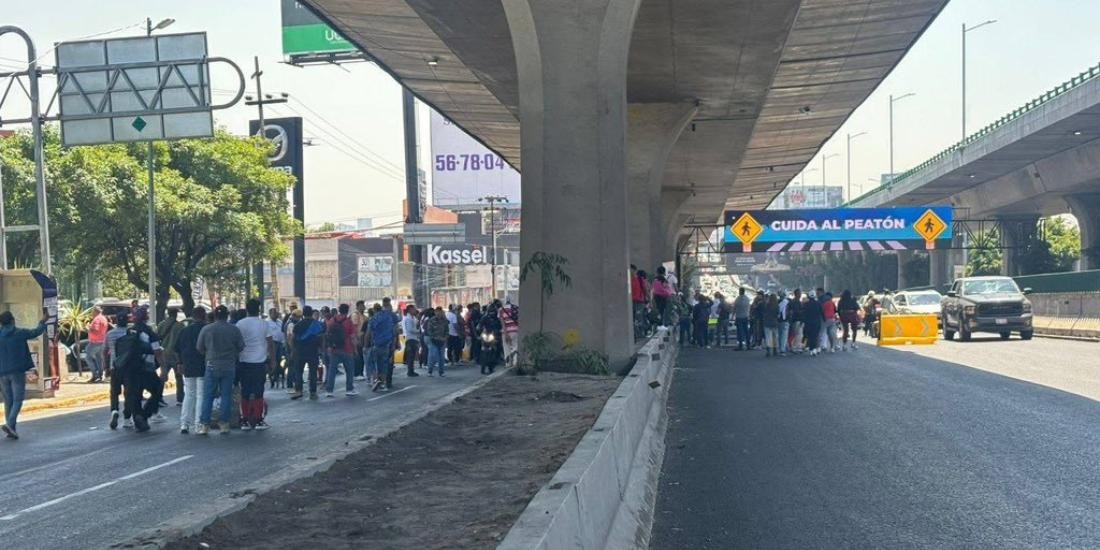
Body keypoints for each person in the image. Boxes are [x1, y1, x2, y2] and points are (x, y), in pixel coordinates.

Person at [0, 308, 49, 439]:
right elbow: (36, 332)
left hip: (2, 372)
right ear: (12, 321)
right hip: (17, 371)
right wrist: (43, 322)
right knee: (18, 400)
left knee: (8, 400)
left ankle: (12, 428)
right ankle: (10, 424)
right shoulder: (18, 332)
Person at [197, 305, 244, 435]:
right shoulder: (234, 329)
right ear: (227, 315)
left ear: (215, 315)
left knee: (208, 396)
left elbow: (199, 347)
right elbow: (241, 346)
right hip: (228, 365)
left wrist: (208, 354)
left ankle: (205, 424)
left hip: (211, 364)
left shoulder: (206, 329)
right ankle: (224, 423)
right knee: (226, 395)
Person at [118, 307, 166, 432]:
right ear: (146, 317)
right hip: (146, 368)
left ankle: (138, 418)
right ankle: (145, 415)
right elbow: (157, 352)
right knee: (157, 390)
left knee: (135, 394)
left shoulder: (130, 331)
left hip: (130, 368)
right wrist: (164, 370)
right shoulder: (149, 332)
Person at [237, 298, 275, 429]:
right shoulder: (264, 324)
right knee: (259, 390)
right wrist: (273, 361)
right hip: (259, 362)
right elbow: (270, 343)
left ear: (247, 309)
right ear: (258, 310)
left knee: (245, 391)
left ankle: (245, 420)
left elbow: (237, 343)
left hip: (244, 361)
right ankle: (258, 420)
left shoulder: (240, 324)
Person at [175, 306, 206, 434]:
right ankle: (199, 424)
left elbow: (177, 348)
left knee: (189, 394)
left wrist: (180, 363)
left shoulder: (185, 331)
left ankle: (184, 424)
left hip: (187, 365)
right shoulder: (205, 329)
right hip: (202, 365)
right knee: (201, 395)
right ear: (203, 316)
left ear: (192, 316)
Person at [324, 303, 358, 398]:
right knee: (350, 370)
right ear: (347, 311)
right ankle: (349, 389)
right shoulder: (348, 322)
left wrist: (329, 346)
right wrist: (355, 350)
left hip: (334, 348)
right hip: (347, 348)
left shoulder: (332, 320)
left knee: (332, 370)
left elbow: (327, 334)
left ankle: (329, 390)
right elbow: (352, 337)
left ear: (339, 310)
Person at [291, 306, 324, 400]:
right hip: (313, 351)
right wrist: (321, 349)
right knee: (313, 372)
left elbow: (293, 339)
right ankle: (313, 393)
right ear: (311, 313)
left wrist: (293, 350)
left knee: (298, 372)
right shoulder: (317, 324)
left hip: (299, 352)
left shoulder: (298, 325)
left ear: (303, 314)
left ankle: (299, 391)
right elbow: (320, 338)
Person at [368, 298, 401, 390]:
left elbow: (369, 332)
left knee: (375, 364)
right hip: (387, 344)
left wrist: (367, 344)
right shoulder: (390, 316)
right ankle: (383, 383)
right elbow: (397, 326)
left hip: (376, 344)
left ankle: (375, 380)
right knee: (385, 364)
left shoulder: (374, 318)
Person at [106, 313, 131, 429]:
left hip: (115, 367)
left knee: (114, 392)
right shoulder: (131, 333)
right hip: (128, 367)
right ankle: (127, 418)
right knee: (128, 393)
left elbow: (104, 351)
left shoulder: (110, 334)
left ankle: (114, 410)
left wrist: (105, 367)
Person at [157, 307, 185, 407]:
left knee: (163, 375)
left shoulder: (161, 324)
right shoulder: (180, 326)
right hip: (175, 354)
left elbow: (157, 337)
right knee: (179, 377)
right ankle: (180, 399)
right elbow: (182, 341)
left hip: (163, 353)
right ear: (176, 314)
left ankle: (158, 397)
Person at [476, 305, 503, 374]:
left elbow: (501, 326)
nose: (492, 313)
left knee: (497, 348)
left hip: (494, 335)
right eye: (490, 311)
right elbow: (479, 326)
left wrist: (500, 331)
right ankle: (480, 362)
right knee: (480, 346)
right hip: (485, 335)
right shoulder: (484, 318)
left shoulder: (497, 319)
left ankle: (493, 364)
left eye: (493, 311)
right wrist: (479, 331)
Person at [85, 306, 109, 383]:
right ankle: (100, 375)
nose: (92, 313)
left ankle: (95, 375)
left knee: (88, 357)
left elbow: (96, 330)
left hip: (95, 342)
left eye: (92, 312)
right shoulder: (103, 318)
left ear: (95, 312)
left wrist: (88, 327)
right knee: (99, 358)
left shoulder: (97, 319)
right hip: (102, 341)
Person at [266, 308, 286, 388]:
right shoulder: (267, 323)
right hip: (272, 343)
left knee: (279, 360)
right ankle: (272, 377)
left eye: (276, 313)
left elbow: (282, 332)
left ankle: (277, 376)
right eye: (274, 313)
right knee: (271, 361)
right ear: (270, 314)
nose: (276, 314)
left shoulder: (280, 322)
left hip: (280, 343)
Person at [426, 307, 449, 376]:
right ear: (435, 312)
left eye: (440, 312)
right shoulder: (431, 320)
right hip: (433, 341)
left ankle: (441, 372)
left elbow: (447, 331)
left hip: (442, 341)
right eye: (437, 312)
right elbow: (429, 331)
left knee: (441, 357)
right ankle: (430, 371)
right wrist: (436, 337)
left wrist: (445, 338)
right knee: (432, 356)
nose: (439, 313)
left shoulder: (444, 321)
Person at [401, 305, 422, 378]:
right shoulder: (408, 319)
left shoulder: (412, 318)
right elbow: (410, 329)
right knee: (410, 356)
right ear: (409, 310)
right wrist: (418, 331)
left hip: (413, 338)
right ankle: (410, 371)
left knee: (412, 356)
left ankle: (411, 370)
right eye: (413, 309)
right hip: (410, 339)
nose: (414, 311)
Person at [351, 300, 368, 381]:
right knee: (358, 357)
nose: (363, 307)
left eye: (363, 305)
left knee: (361, 356)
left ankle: (360, 373)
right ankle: (356, 373)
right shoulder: (355, 315)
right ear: (358, 306)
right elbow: (354, 327)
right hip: (357, 339)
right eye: (362, 305)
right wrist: (356, 339)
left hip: (363, 338)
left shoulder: (364, 316)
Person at [803, 292, 824, 356]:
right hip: (816, 322)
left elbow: (804, 313)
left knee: (810, 336)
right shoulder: (818, 303)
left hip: (808, 322)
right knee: (815, 335)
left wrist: (803, 321)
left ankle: (811, 349)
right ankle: (814, 349)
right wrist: (824, 319)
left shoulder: (806, 304)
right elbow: (822, 312)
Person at [630, 266, 648, 339]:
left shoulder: (639, 279)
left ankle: (640, 334)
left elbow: (645, 290)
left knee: (639, 317)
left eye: (631, 270)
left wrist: (648, 299)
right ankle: (635, 334)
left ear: (634, 271)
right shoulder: (628, 280)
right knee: (633, 319)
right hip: (630, 302)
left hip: (639, 301)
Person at [499, 301, 519, 366]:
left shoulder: (501, 310)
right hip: (516, 331)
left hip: (506, 332)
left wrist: (506, 334)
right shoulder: (516, 308)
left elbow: (502, 323)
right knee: (515, 347)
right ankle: (515, 363)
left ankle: (508, 364)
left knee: (507, 348)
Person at [788, 289, 804, 354]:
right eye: (799, 293)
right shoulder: (796, 302)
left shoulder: (793, 301)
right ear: (796, 294)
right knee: (798, 334)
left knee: (797, 334)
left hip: (795, 320)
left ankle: (796, 346)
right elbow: (796, 311)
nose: (800, 295)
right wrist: (802, 312)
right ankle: (796, 347)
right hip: (797, 319)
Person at [777, 291, 791, 357]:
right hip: (785, 320)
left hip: (778, 320)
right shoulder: (788, 302)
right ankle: (782, 349)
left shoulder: (778, 302)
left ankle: (780, 348)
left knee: (780, 335)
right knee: (784, 336)